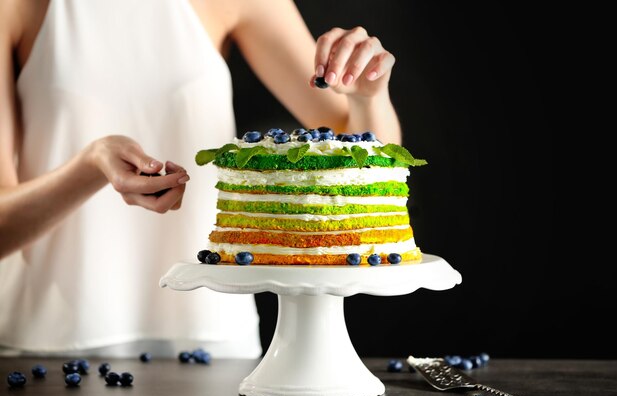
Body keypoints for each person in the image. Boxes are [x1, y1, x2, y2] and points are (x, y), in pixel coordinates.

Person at [0, 0, 401, 358]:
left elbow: (369, 160)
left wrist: (367, 96)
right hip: (49, 345)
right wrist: (90, 166)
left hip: (214, 340)